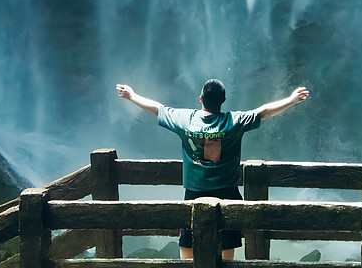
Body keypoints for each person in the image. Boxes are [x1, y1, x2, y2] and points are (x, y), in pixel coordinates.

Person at [115, 79, 309, 260]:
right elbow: (263, 112)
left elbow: (158, 109)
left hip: (194, 194)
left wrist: (131, 95)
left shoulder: (185, 120)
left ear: (201, 98)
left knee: (188, 248)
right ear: (223, 100)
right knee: (226, 252)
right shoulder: (235, 121)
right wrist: (291, 100)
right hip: (228, 194)